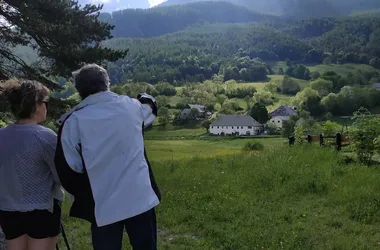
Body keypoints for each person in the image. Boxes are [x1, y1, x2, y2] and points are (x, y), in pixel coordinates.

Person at [54, 64, 161, 250]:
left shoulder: (73, 122)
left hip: (103, 205)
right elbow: (150, 107)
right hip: (140, 197)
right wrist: (144, 96)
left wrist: (84, 195)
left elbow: (70, 168)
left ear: (79, 90)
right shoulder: (132, 107)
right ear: (107, 83)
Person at [0, 80, 64, 250]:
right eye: (45, 102)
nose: (46, 106)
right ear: (36, 105)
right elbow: (61, 175)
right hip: (41, 209)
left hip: (7, 209)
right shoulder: (44, 137)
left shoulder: (2, 135)